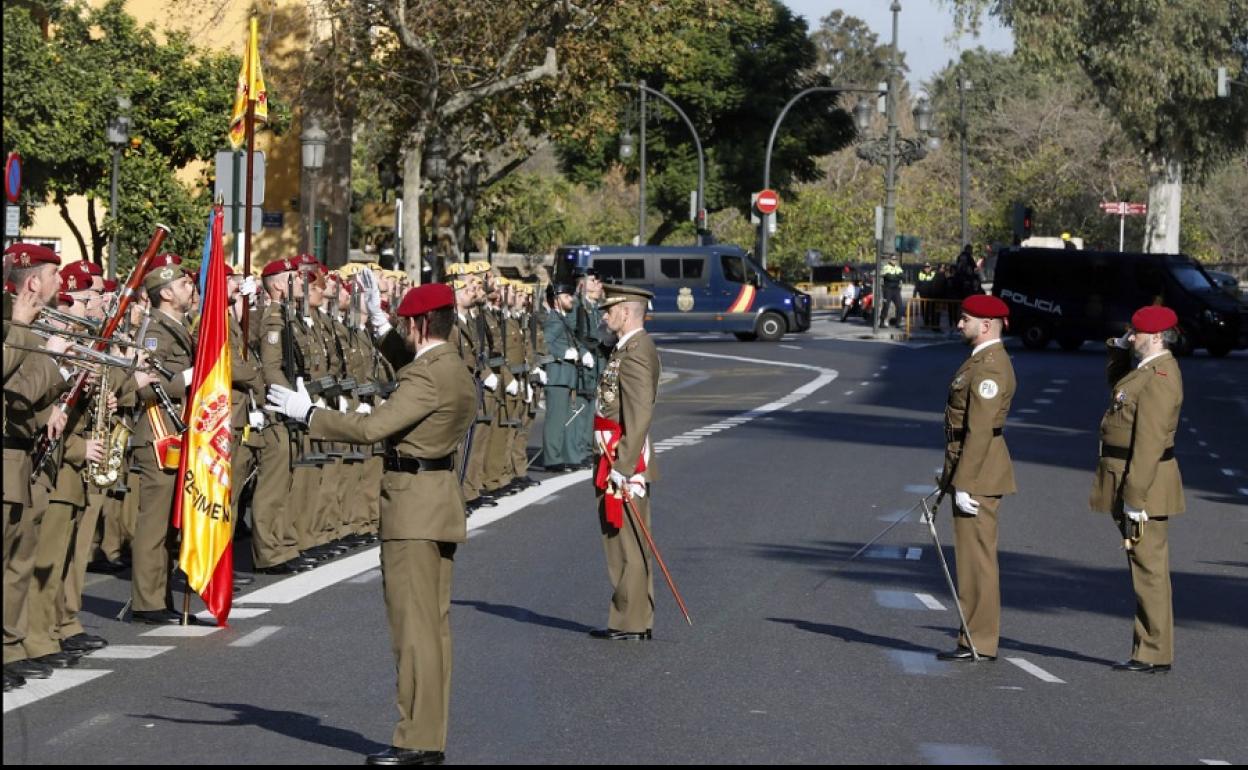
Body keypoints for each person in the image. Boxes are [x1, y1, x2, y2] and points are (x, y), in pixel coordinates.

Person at [268, 283, 474, 766]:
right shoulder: (453, 368)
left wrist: (310, 414)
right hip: (437, 502)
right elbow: (415, 375)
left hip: (411, 510)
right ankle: (429, 735)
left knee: (412, 631)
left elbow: (369, 429)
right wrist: (382, 328)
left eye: (405, 324)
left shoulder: (427, 377)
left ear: (421, 325)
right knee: (433, 630)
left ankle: (416, 740)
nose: (402, 330)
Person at [1090, 306, 1184, 674]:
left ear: (1157, 336)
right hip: (1132, 477)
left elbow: (1149, 444)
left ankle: (1153, 651)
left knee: (1150, 570)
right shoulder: (1143, 371)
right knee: (1144, 568)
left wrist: (1134, 498)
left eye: (1138, 333)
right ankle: (1149, 649)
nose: (1134, 337)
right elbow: (1117, 385)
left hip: (1145, 483)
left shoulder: (1160, 377)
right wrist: (1119, 346)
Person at [936, 294, 1016, 662]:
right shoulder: (981, 361)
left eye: (965, 319)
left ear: (985, 325)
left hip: (980, 473)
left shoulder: (990, 367)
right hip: (971, 467)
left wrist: (964, 480)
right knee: (970, 559)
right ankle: (973, 637)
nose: (959, 324)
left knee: (977, 560)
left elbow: (980, 429)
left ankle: (979, 640)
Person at [590, 284, 661, 641]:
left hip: (621, 456)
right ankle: (634, 617)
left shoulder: (635, 352)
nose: (605, 315)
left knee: (626, 542)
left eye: (610, 309)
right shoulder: (627, 348)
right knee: (625, 539)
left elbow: (638, 412)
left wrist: (623, 466)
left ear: (628, 312)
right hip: (615, 452)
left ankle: (629, 621)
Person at [878, 256, 905, 327]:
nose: (894, 260)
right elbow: (889, 277)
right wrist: (897, 276)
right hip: (888, 289)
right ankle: (882, 322)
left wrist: (894, 277)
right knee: (886, 306)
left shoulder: (898, 268)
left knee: (900, 306)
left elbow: (903, 276)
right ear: (890, 260)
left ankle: (898, 322)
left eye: (895, 259)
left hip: (896, 290)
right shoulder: (886, 267)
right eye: (893, 259)